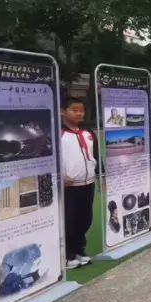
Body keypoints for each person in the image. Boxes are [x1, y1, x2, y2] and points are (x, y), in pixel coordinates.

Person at [61, 96, 100, 269]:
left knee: (85, 219)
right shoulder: (58, 134)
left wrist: (100, 175)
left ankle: (79, 250)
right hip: (69, 187)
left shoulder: (88, 132)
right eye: (74, 110)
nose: (79, 113)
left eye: (81, 110)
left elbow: (95, 156)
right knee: (69, 220)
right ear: (63, 112)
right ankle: (67, 254)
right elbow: (51, 160)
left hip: (88, 183)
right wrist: (60, 176)